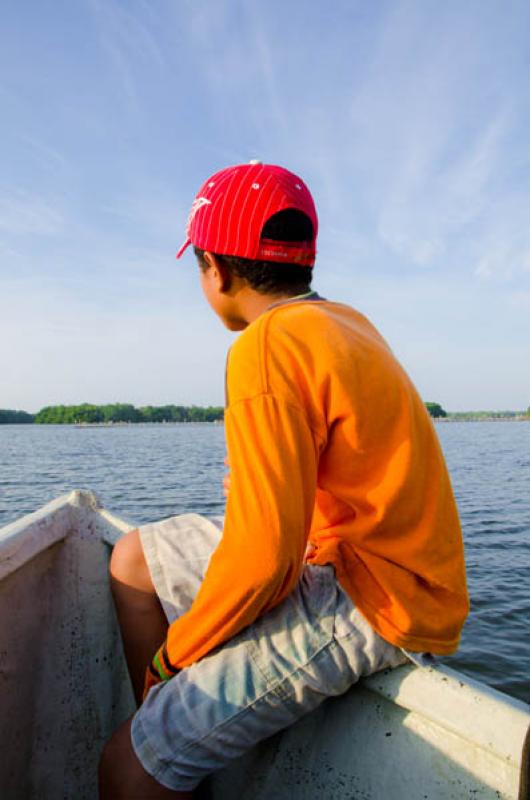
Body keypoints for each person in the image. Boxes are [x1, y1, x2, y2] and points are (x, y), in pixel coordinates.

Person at [99, 161, 469, 799]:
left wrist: (174, 656)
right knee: (134, 560)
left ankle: (152, 758)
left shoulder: (263, 349)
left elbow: (265, 561)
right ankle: (169, 745)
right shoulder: (343, 322)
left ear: (215, 269)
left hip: (372, 597)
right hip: (360, 559)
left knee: (121, 771)